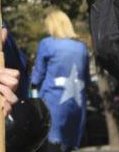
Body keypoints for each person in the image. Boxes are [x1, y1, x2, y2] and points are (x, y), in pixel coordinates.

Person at [30, 9, 89, 152]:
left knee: (50, 147)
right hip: (76, 106)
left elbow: (37, 77)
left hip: (52, 104)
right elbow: (86, 79)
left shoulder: (47, 44)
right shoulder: (82, 48)